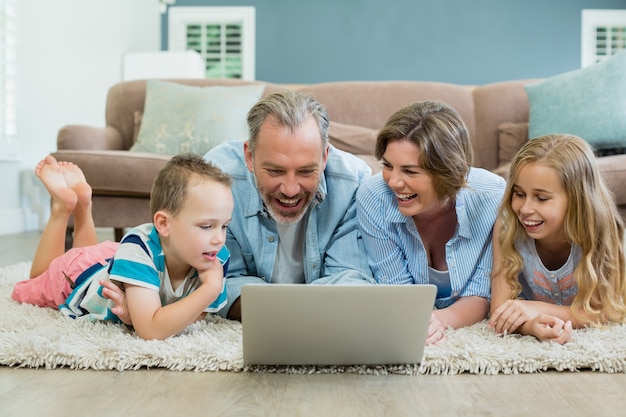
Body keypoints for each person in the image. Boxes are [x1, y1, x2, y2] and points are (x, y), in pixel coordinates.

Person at [11, 153, 234, 341]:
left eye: (224, 226)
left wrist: (141, 316)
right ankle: (62, 207)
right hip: (76, 274)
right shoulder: (139, 249)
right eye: (207, 226)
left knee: (88, 251)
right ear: (164, 224)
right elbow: (152, 330)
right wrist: (210, 289)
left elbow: (194, 315)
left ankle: (83, 205)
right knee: (31, 284)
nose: (219, 239)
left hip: (113, 259)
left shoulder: (214, 255)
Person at [202, 89, 375, 320]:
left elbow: (350, 277)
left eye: (306, 171)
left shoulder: (354, 183)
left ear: (324, 157)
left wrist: (280, 309)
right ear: (250, 157)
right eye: (275, 171)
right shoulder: (216, 181)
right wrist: (301, 310)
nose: (290, 189)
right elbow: (222, 283)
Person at [356, 100, 506, 345]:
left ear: (449, 172)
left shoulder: (491, 197)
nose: (393, 181)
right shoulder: (373, 196)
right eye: (387, 165)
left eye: (410, 171)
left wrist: (441, 319)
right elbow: (397, 289)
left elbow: (481, 293)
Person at [488, 134, 626, 344]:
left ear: (577, 199)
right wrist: (528, 326)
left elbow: (606, 311)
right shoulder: (508, 226)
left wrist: (536, 308)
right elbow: (500, 309)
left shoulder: (601, 228)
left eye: (541, 198)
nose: (525, 209)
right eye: (519, 194)